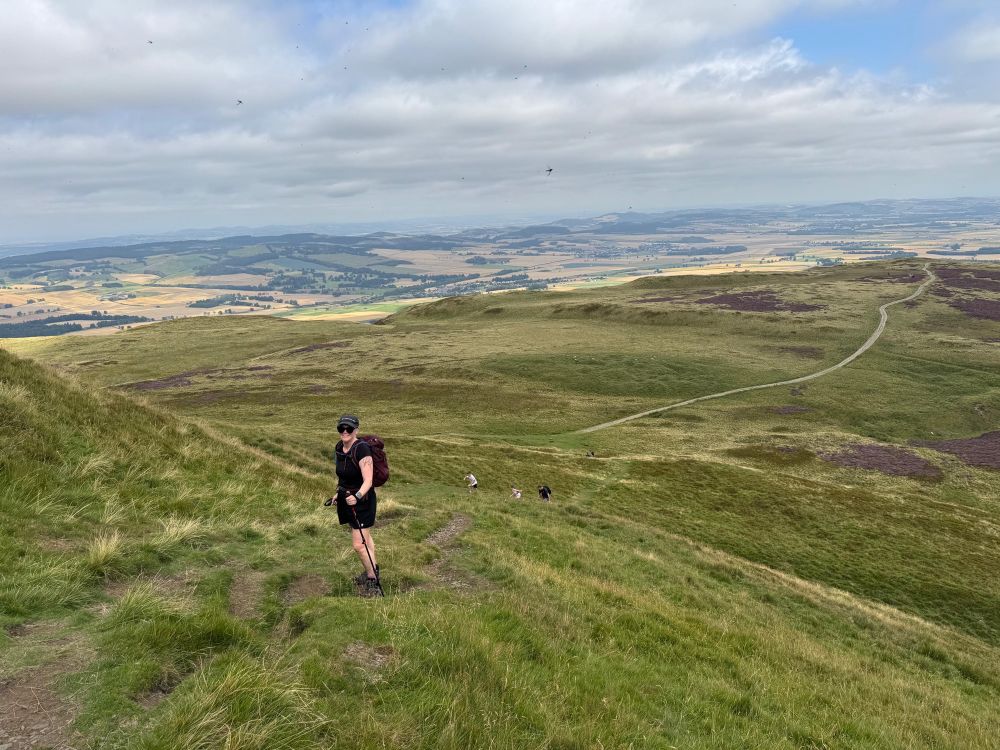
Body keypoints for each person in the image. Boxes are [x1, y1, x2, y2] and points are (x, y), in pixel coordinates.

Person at [332, 414, 380, 595]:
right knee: (365, 540)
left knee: (359, 545)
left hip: (363, 501)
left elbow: (368, 480)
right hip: (347, 498)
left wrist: (358, 496)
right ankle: (373, 570)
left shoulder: (362, 449)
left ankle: (372, 579)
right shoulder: (339, 447)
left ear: (356, 430)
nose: (345, 432)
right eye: (341, 428)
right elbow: (342, 476)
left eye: (349, 429)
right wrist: (339, 493)